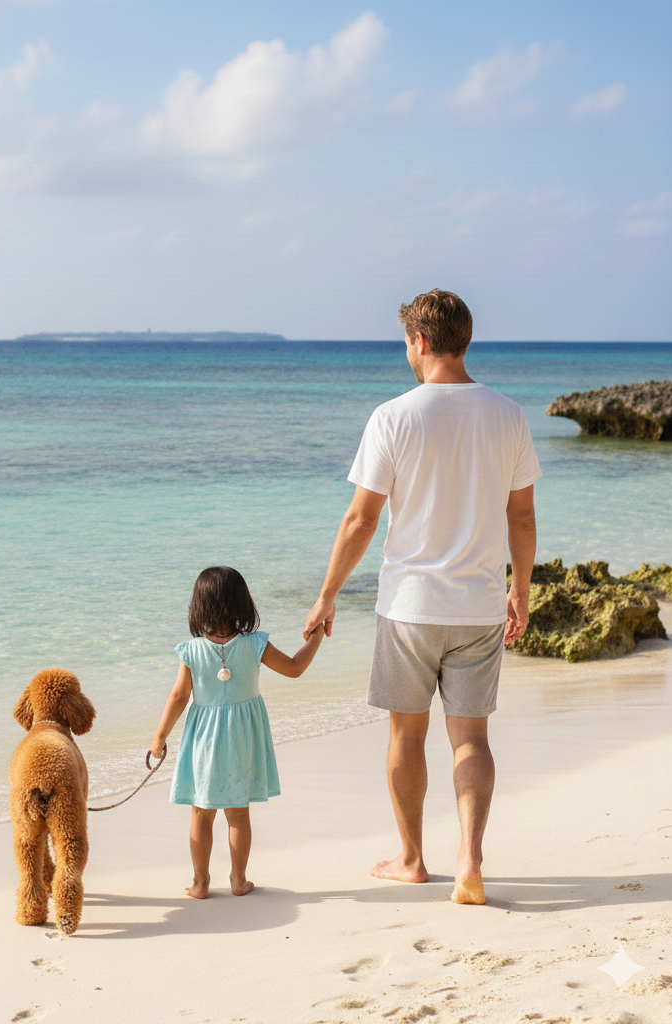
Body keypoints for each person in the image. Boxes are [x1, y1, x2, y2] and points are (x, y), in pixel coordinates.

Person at [304, 289, 540, 906]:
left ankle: (412, 859)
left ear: (420, 341)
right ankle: (469, 860)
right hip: (479, 607)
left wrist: (327, 595)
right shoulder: (509, 415)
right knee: (472, 741)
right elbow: (523, 518)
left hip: (408, 608)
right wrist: (521, 590)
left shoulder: (393, 416)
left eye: (406, 340)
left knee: (406, 737)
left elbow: (360, 520)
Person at [151, 566, 324, 899]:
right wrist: (315, 639)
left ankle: (200, 882)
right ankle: (238, 880)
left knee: (201, 812)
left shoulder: (191, 651)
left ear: (198, 607)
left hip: (204, 739)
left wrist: (159, 737)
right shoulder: (255, 644)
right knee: (239, 812)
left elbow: (178, 696)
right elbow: (295, 668)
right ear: (243, 603)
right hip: (243, 737)